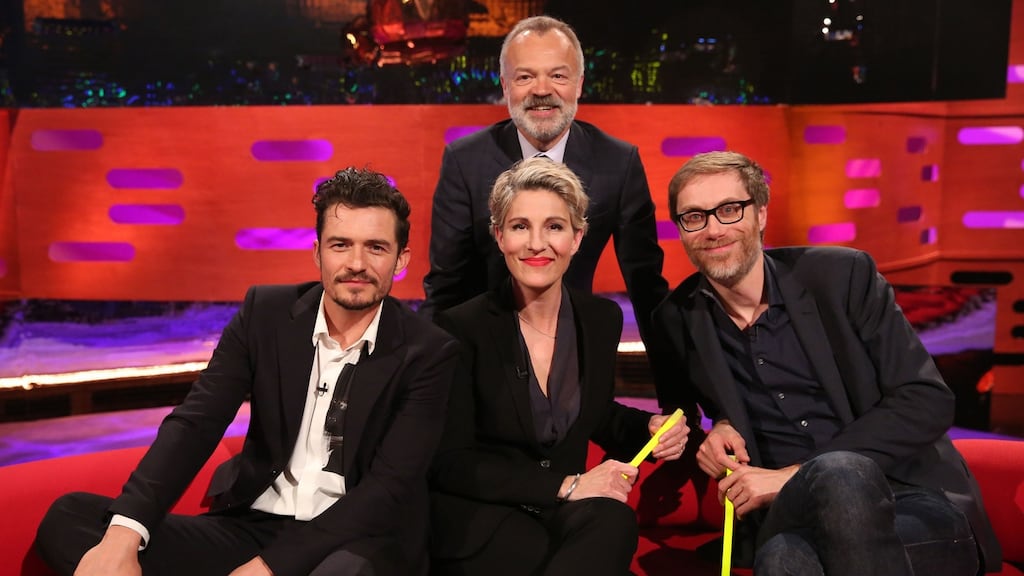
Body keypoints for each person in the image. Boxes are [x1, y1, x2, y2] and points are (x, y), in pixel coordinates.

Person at [34, 168, 459, 576]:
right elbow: (197, 422)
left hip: (355, 541)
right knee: (71, 518)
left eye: (376, 247)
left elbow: (386, 489)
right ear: (317, 252)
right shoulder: (265, 314)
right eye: (340, 245)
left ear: (401, 260)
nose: (357, 263)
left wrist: (272, 568)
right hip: (252, 527)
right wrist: (124, 536)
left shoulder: (428, 351)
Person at [651, 150, 1002, 575]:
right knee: (789, 543)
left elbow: (925, 398)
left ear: (760, 214)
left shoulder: (841, 278)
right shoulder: (675, 319)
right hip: (794, 514)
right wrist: (715, 428)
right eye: (694, 217)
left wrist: (794, 475)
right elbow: (681, 417)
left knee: (791, 548)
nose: (713, 229)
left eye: (729, 210)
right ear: (681, 230)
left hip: (910, 501)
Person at [428, 157, 691, 576]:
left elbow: (593, 413)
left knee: (615, 520)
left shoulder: (602, 319)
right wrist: (567, 485)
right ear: (499, 237)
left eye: (554, 226)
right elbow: (450, 462)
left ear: (577, 237)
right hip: (484, 517)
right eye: (519, 227)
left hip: (561, 512)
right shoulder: (460, 328)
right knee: (547, 551)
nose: (537, 243)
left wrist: (647, 429)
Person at [421, 15, 669, 357]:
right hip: (484, 356)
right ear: (506, 87)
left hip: (577, 354)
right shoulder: (465, 161)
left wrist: (676, 396)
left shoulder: (618, 163)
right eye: (525, 76)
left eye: (557, 75)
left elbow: (646, 287)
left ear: (579, 84)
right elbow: (446, 286)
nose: (541, 90)